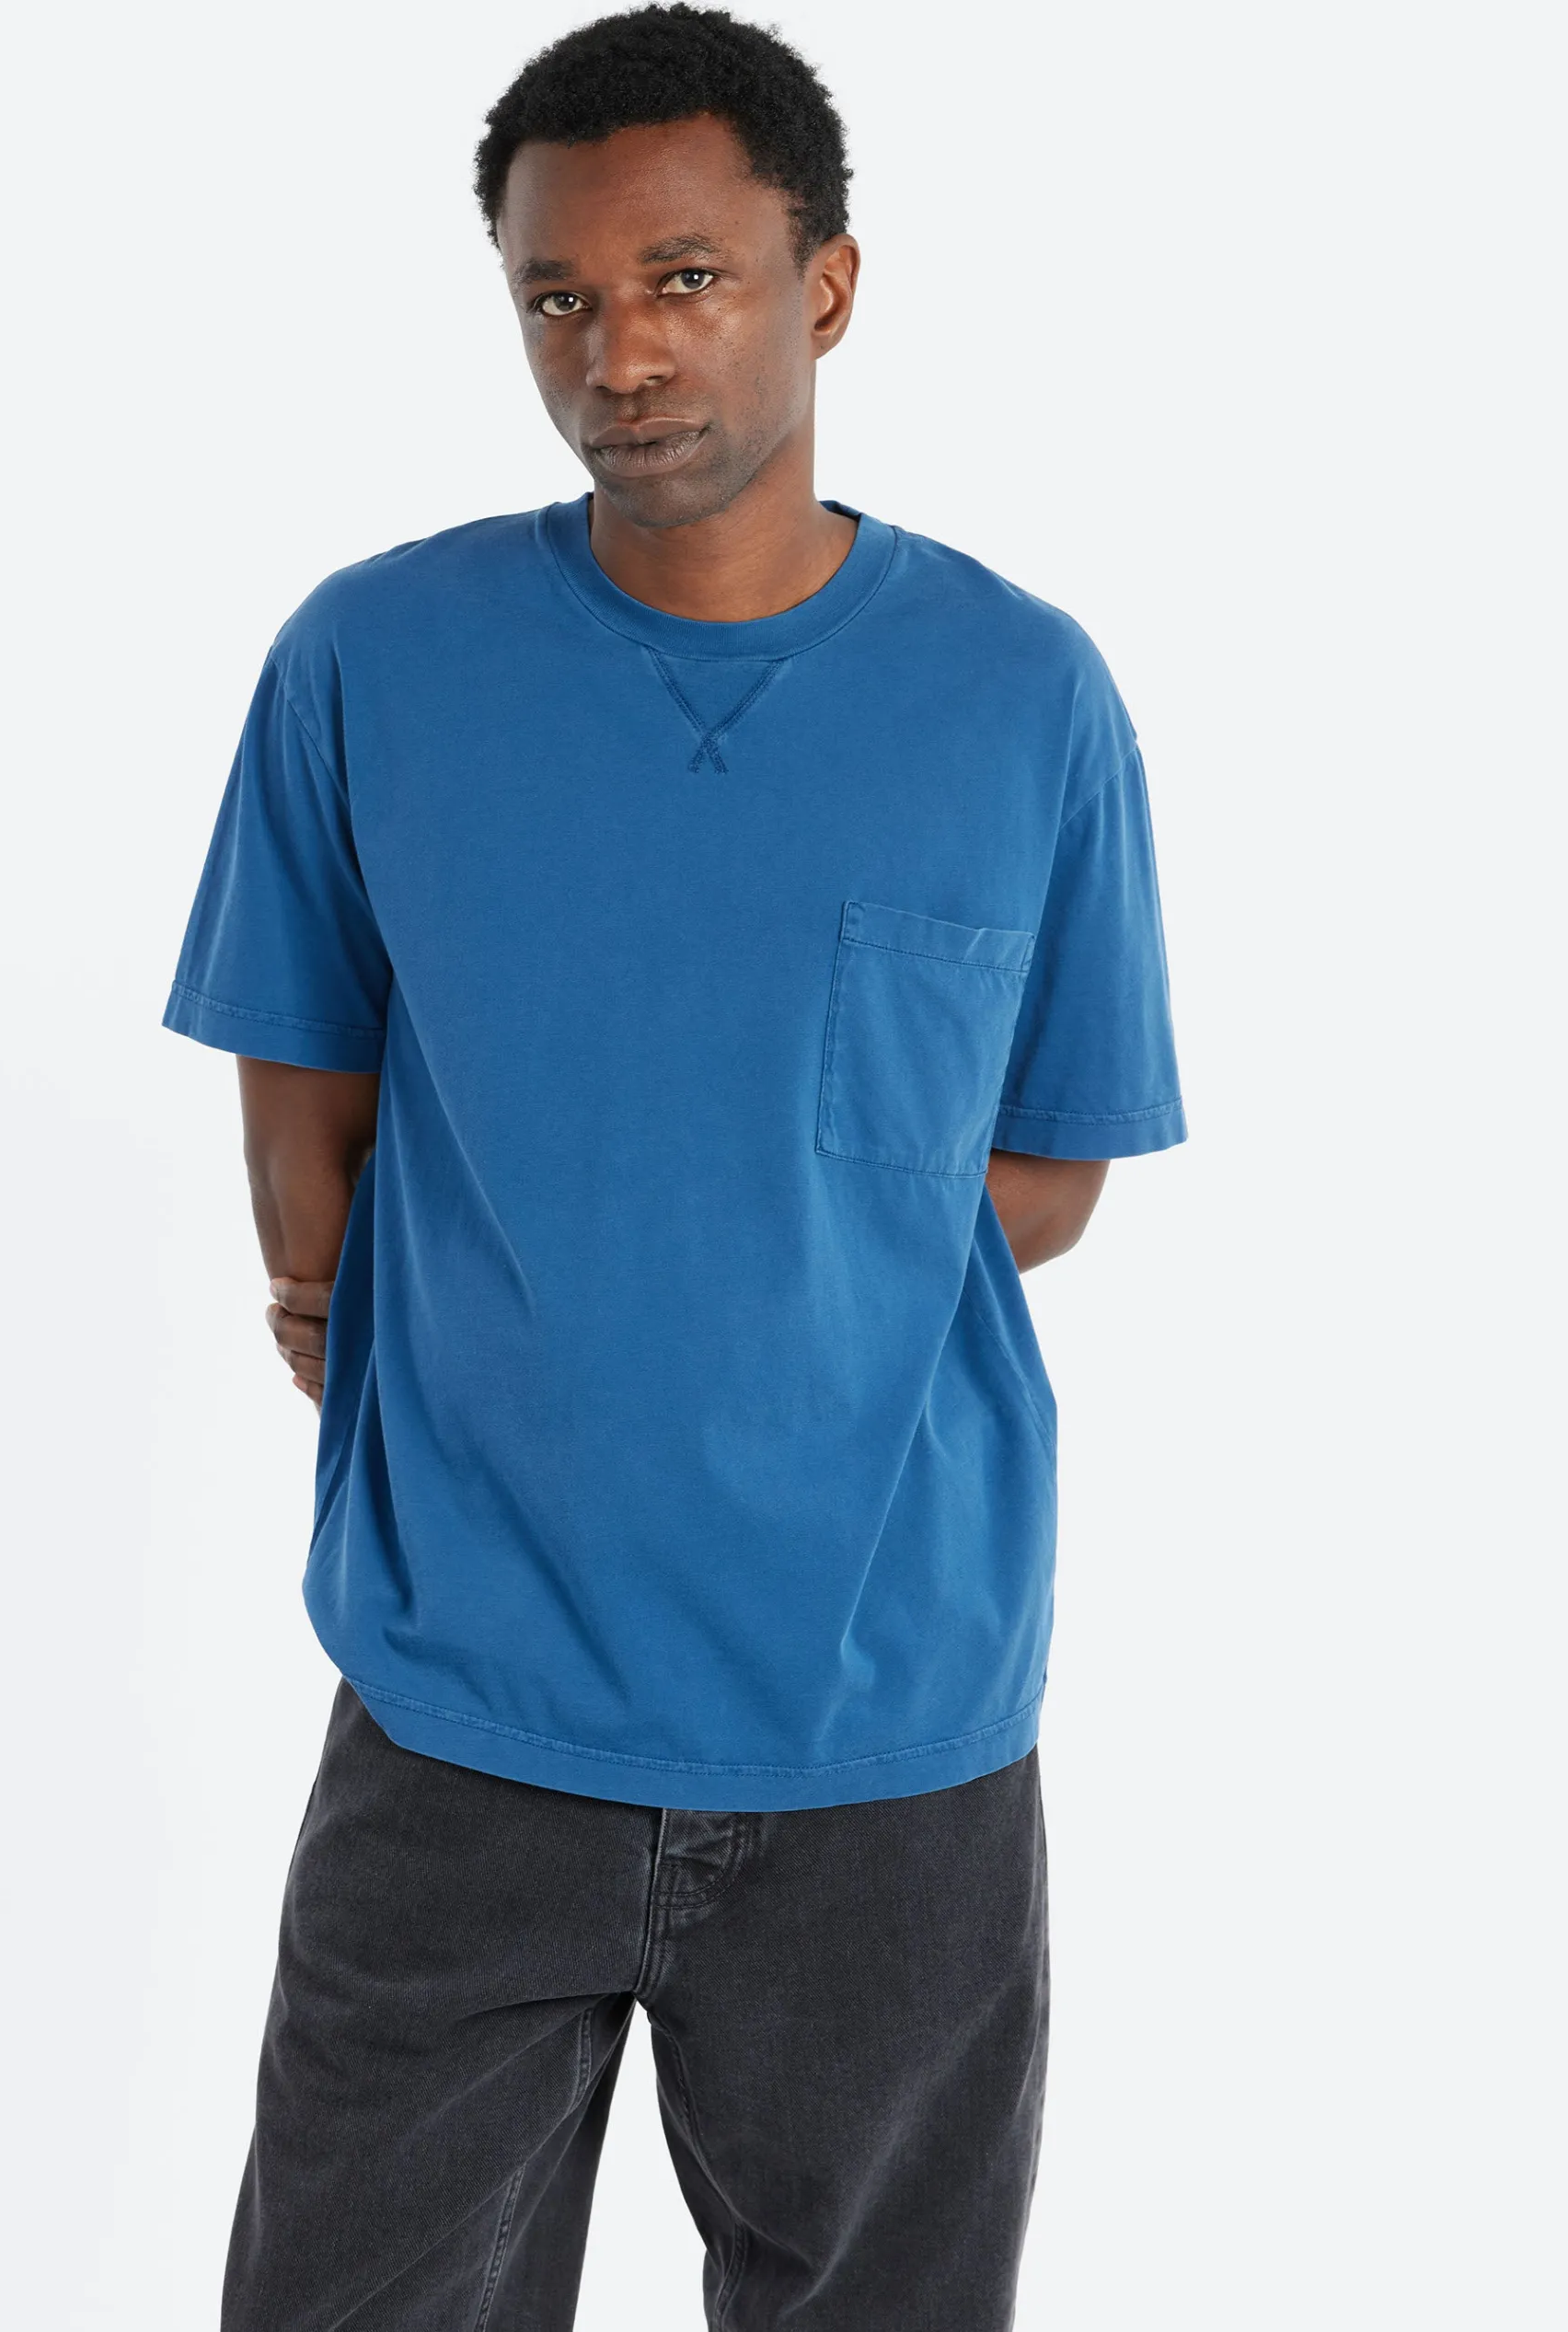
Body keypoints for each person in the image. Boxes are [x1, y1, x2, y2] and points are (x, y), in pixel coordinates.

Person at [161, 6, 1186, 2325]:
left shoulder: (1021, 696)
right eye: (557, 295)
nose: (614, 352)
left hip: (883, 1730)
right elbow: (301, 1107)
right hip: (462, 1710)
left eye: (685, 279)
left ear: (826, 285)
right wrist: (378, 1296)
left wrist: (753, 1252)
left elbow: (1049, 1165)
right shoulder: (370, 660)